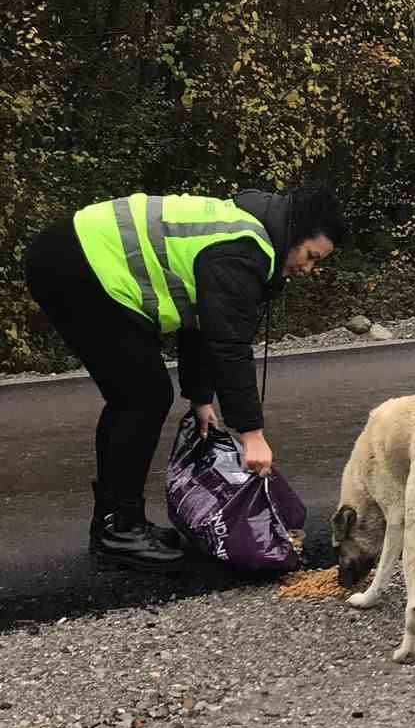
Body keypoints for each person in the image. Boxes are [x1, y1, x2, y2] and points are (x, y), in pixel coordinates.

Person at [23, 186, 348, 572]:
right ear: (294, 234)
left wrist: (200, 397)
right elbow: (229, 345)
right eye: (310, 256)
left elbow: (201, 321)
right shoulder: (244, 249)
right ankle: (118, 532)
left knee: (139, 395)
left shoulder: (240, 234)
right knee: (141, 396)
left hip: (75, 256)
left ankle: (120, 524)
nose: (308, 269)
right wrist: (251, 434)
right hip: (78, 263)